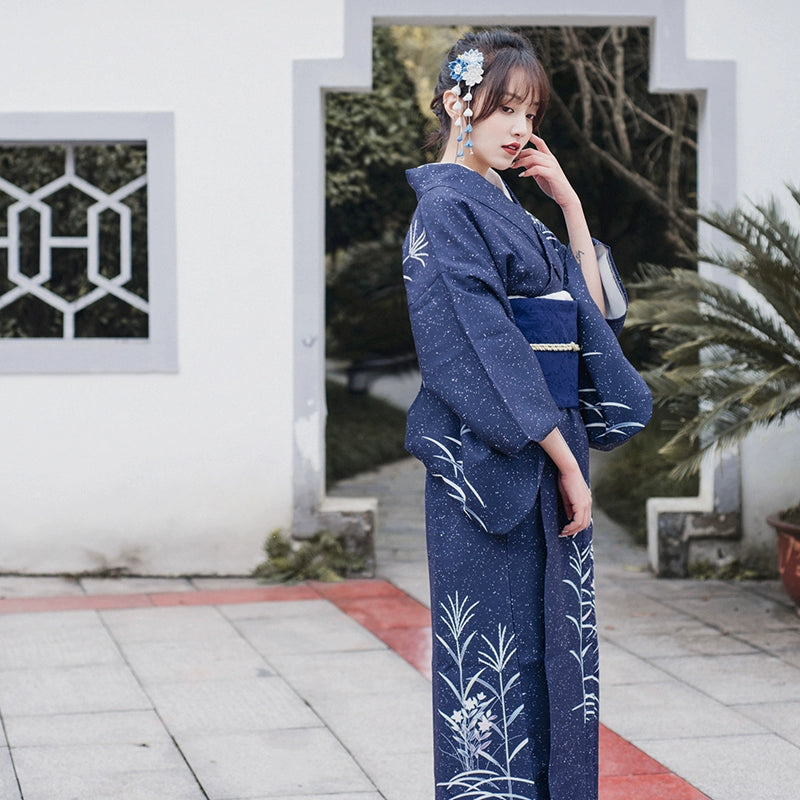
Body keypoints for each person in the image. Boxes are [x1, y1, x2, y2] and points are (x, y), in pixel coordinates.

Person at [401, 29, 652, 800]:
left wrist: (570, 205)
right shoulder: (447, 205)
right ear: (457, 103)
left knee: (557, 660)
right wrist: (570, 463)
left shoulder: (506, 199)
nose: (519, 126)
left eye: (530, 109)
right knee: (497, 660)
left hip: (542, 452)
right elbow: (479, 347)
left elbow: (586, 316)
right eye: (504, 106)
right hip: (498, 463)